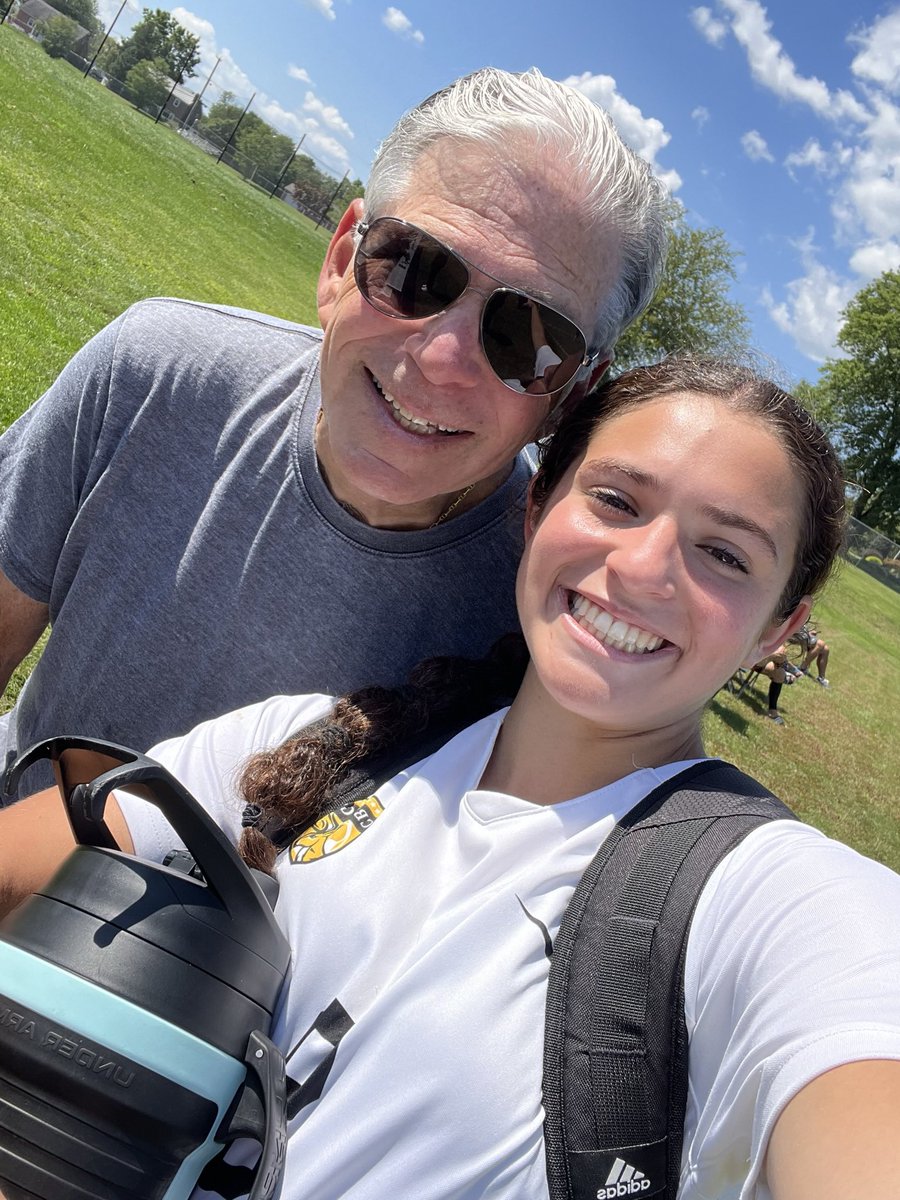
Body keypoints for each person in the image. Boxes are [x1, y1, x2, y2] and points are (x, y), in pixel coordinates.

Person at [3, 359, 899, 1200]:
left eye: (726, 555)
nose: (643, 568)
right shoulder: (308, 748)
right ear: (538, 503)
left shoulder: (763, 900)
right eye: (618, 500)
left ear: (782, 631)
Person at [0, 67, 670, 799]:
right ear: (343, 259)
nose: (441, 360)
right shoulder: (155, 371)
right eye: (415, 270)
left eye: (527, 338)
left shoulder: (550, 618)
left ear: (574, 393)